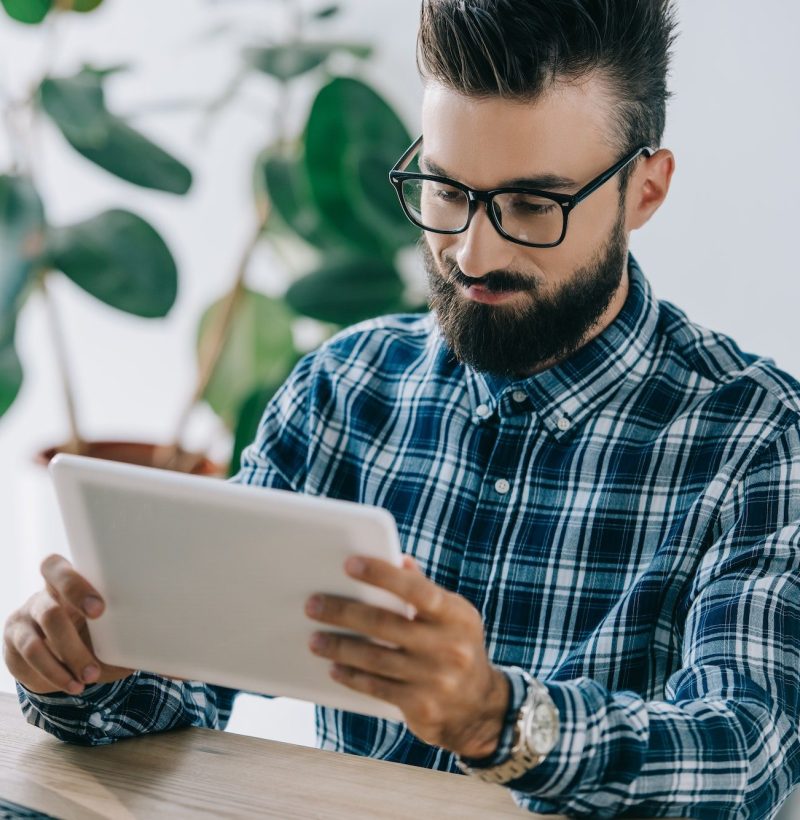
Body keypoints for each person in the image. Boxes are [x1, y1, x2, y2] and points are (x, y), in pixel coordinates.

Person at [4, 0, 799, 816]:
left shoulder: (759, 442)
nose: (471, 253)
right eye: (447, 191)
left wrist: (501, 719)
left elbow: (747, 753)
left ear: (646, 190)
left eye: (533, 206)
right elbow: (180, 699)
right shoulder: (343, 390)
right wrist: (86, 672)